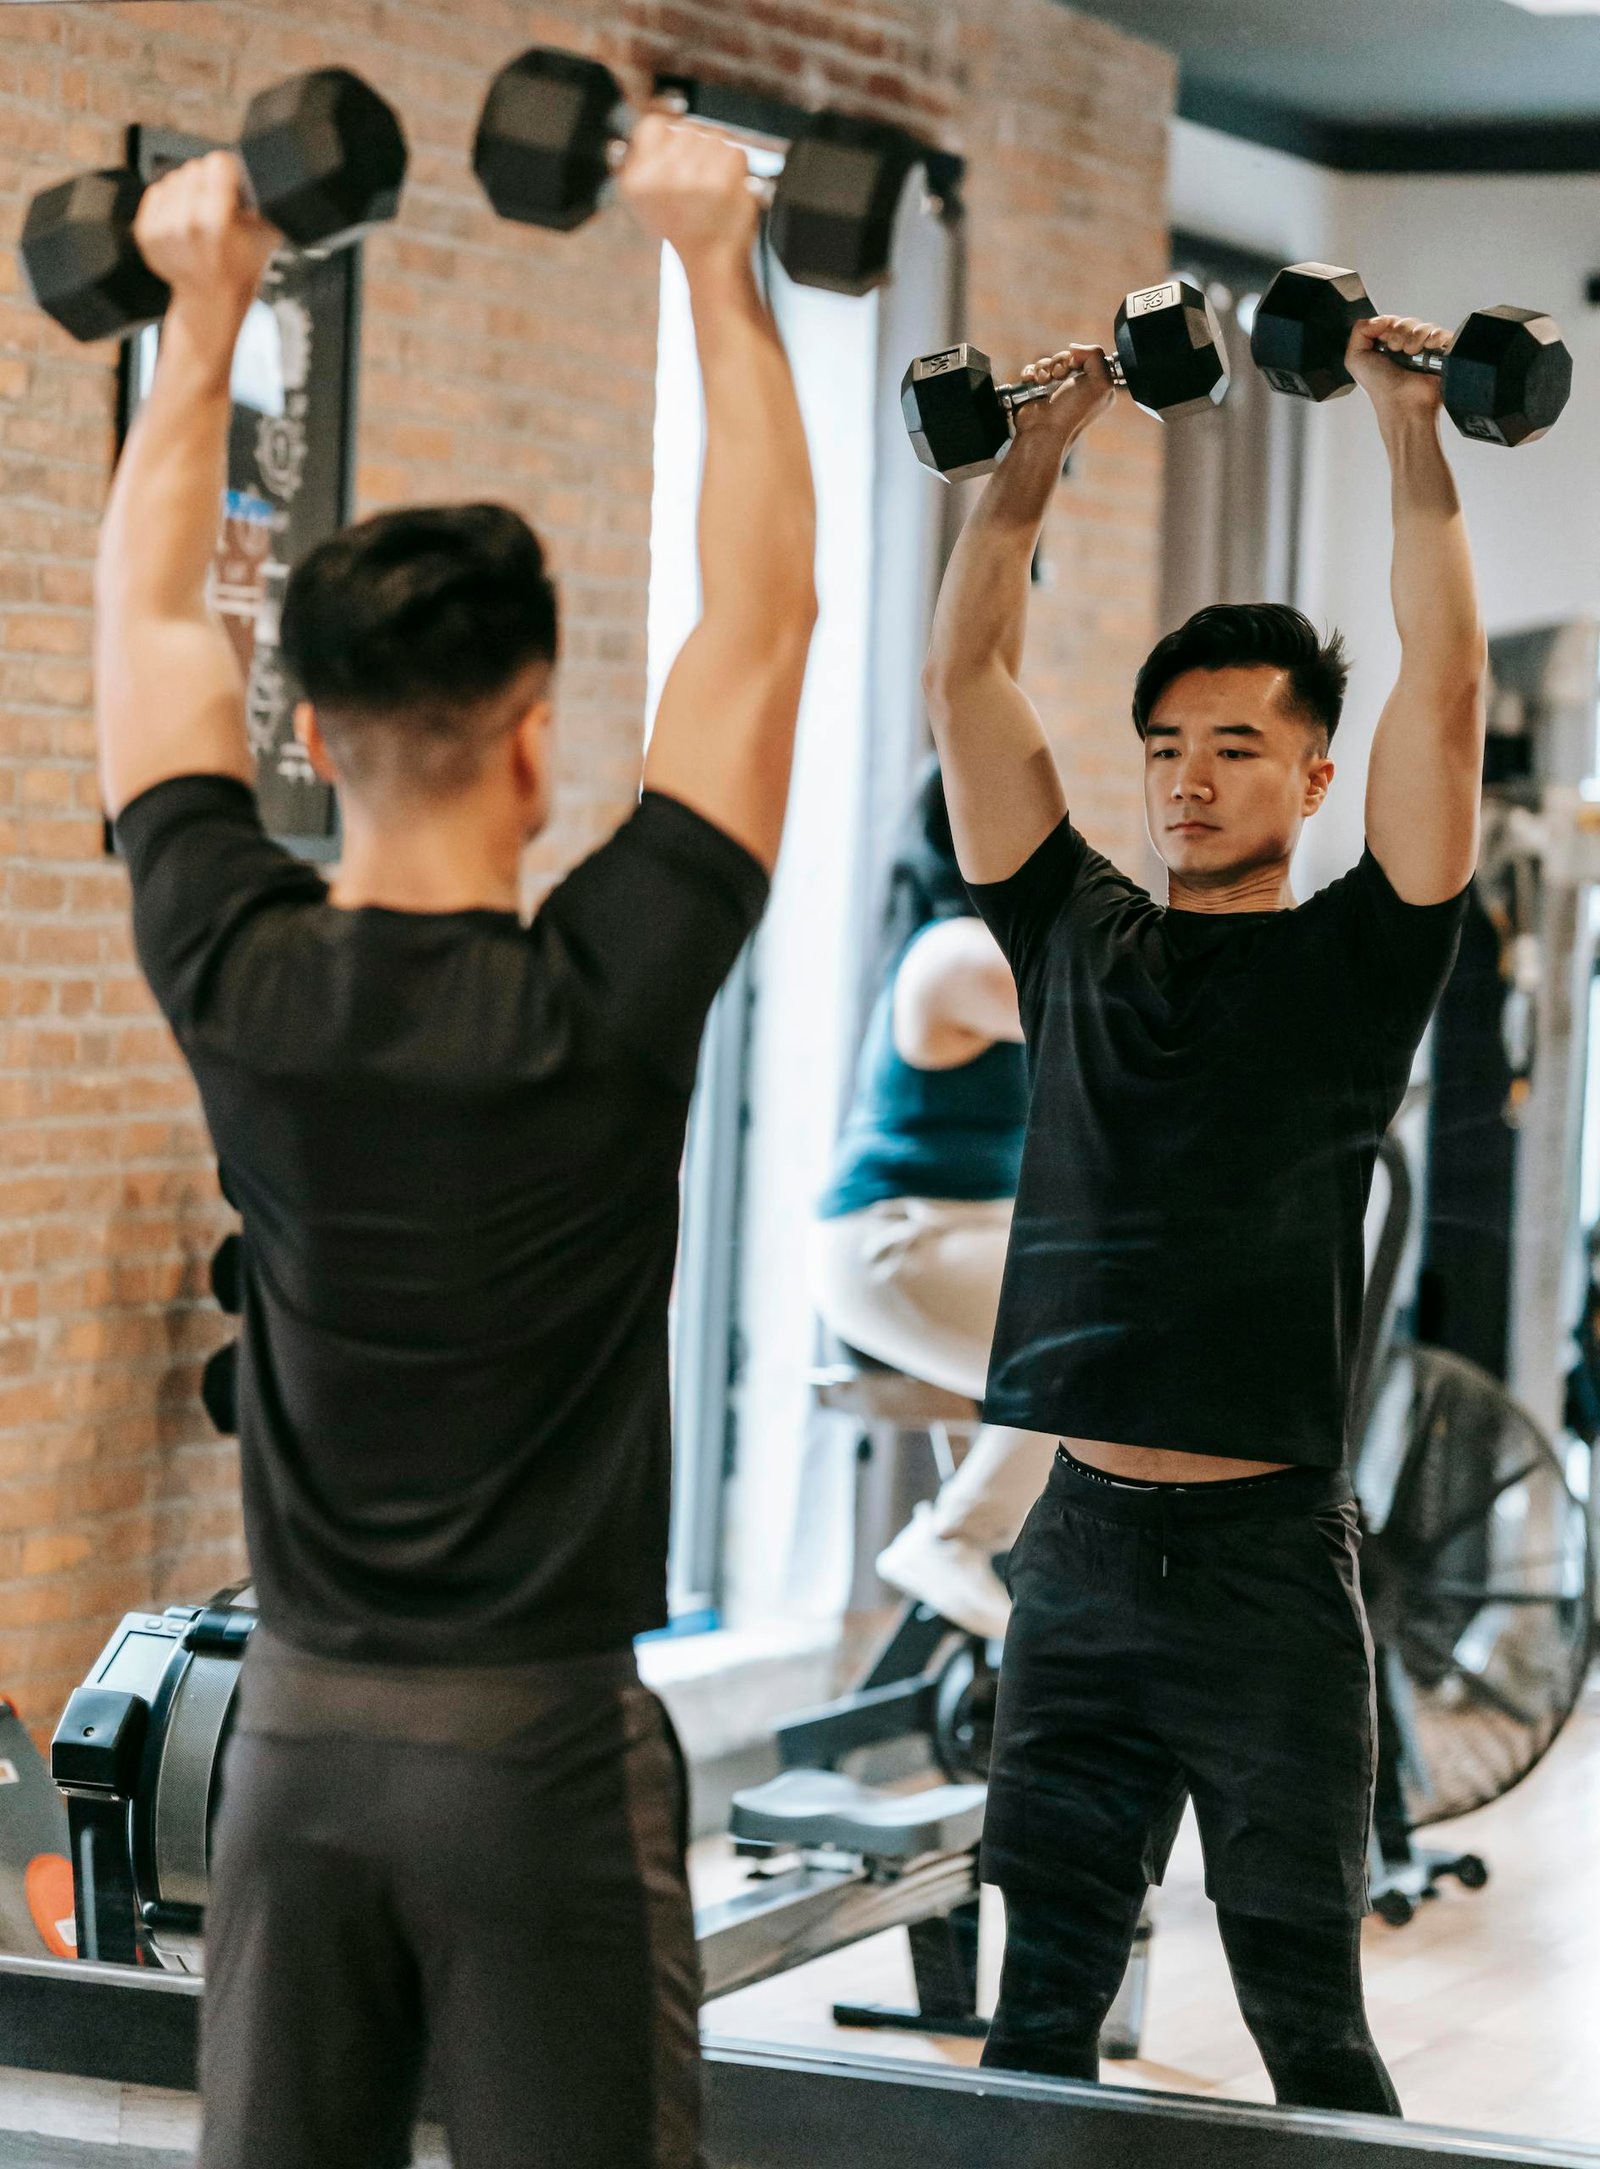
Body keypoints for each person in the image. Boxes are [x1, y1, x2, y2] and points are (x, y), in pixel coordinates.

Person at [94, 120, 816, 2169]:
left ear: (306, 736)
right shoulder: (607, 994)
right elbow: (760, 624)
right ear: (535, 737)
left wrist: (204, 309)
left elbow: (149, 644)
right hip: (535, 1757)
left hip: (295, 1744)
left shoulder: (238, 972)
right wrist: (709, 261)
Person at [924, 315, 1483, 2112]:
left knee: (1313, 2026)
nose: (1188, 773)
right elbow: (969, 681)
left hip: (1265, 1579)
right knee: (1033, 2027)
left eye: (1238, 745)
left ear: (1316, 776)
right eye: (1166, 741)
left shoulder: (1360, 959)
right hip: (1080, 1560)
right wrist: (1032, 454)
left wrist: (1410, 432)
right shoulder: (1071, 934)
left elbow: (1449, 694)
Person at [809, 758, 1054, 1639]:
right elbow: (1108, 1021)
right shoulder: (957, 953)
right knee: (1111, 1325)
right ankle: (953, 1538)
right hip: (891, 1246)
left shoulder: (985, 945)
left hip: (955, 1231)